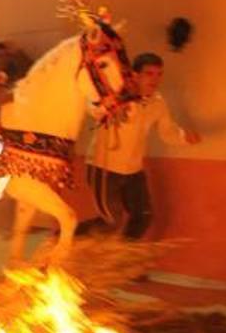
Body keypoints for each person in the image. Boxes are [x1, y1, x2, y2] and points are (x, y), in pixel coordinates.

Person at [82, 51, 201, 239]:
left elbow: (168, 132)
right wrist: (108, 107)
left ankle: (122, 255)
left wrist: (185, 137)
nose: (155, 79)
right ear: (135, 75)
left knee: (143, 216)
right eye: (149, 73)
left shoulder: (158, 103)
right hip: (103, 168)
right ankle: (65, 238)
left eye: (159, 74)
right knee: (110, 221)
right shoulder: (117, 94)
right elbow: (92, 106)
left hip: (133, 171)